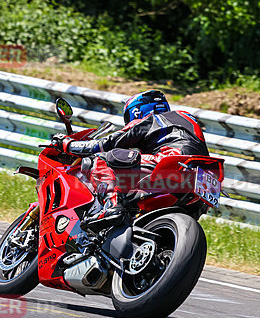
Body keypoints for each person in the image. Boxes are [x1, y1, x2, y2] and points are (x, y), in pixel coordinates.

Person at [50, 90, 208, 230]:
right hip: (202, 176)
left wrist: (68, 144)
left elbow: (106, 144)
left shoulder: (153, 119)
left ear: (137, 111)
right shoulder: (185, 119)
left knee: (101, 159)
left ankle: (111, 207)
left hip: (170, 161)